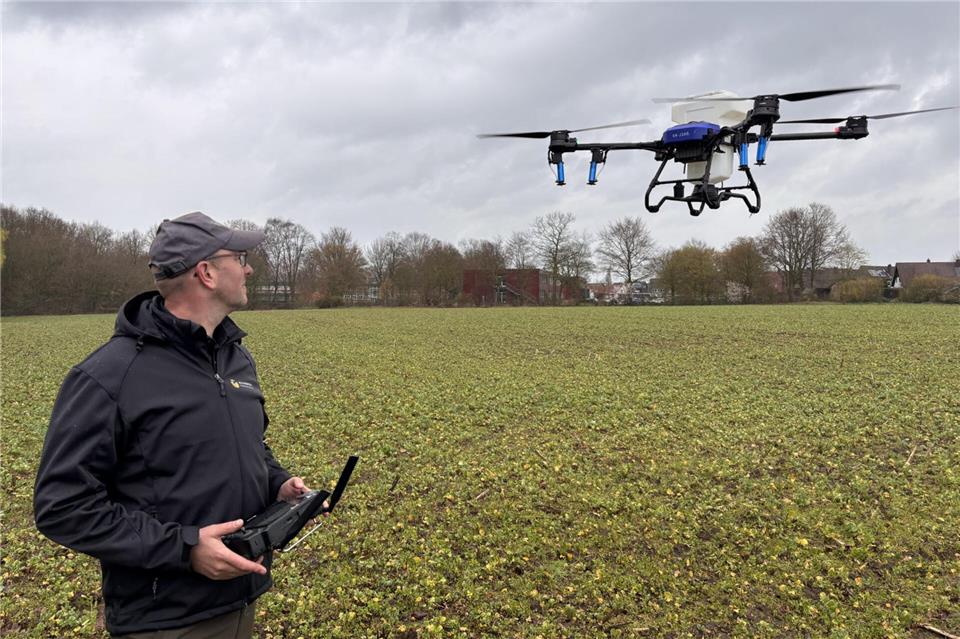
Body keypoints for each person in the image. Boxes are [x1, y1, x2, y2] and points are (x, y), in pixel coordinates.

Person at [34, 212, 310, 638]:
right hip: (164, 622)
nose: (249, 267)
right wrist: (185, 549)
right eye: (240, 257)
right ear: (206, 273)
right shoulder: (110, 376)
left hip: (240, 600)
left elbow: (248, 444)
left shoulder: (234, 357)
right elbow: (62, 506)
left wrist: (277, 482)